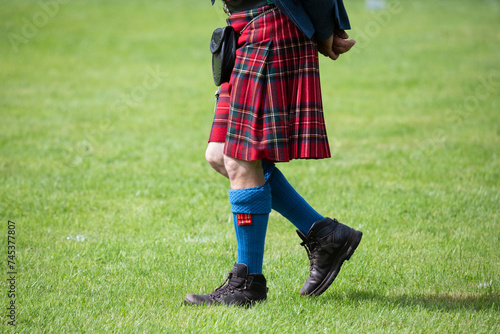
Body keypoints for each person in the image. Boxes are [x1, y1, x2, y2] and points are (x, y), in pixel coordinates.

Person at [184, 0, 362, 306]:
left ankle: (247, 283)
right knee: (219, 153)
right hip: (244, 25)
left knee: (240, 160)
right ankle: (325, 234)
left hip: (270, 26)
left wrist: (324, 26)